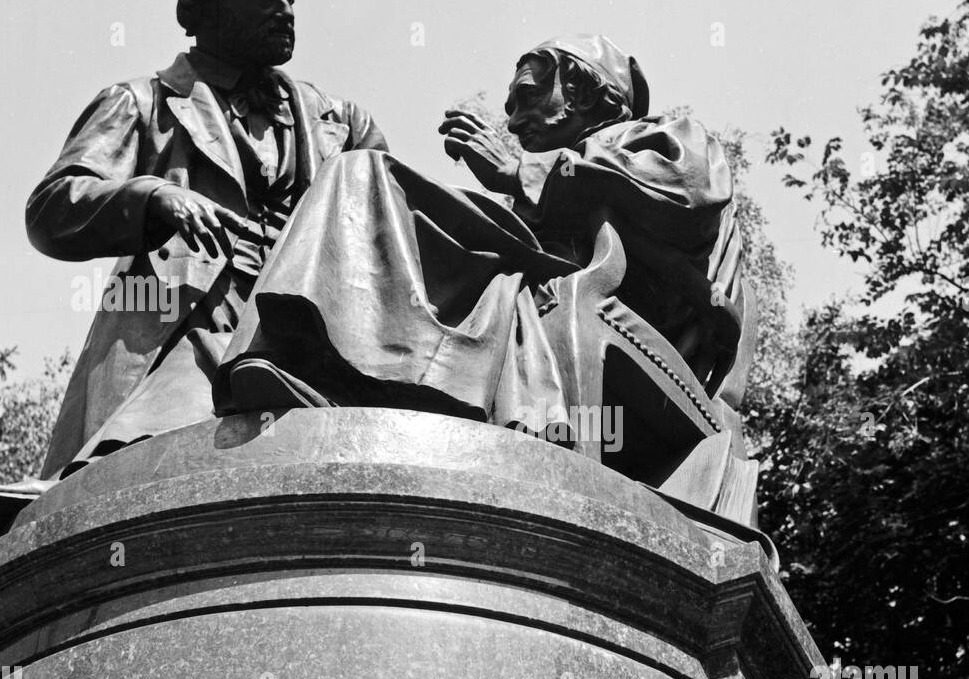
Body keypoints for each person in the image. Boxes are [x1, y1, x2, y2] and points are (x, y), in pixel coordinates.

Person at [0, 0, 386, 539]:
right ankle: (70, 495)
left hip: (308, 320)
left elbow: (391, 233)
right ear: (210, 2)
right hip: (189, 313)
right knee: (154, 436)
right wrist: (154, 199)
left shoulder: (342, 122)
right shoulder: (141, 103)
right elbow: (52, 210)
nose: (287, 11)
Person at [214, 35, 740, 452]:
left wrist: (517, 173)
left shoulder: (669, 137)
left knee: (368, 172)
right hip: (527, 271)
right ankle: (320, 364)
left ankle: (354, 377)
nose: (512, 120)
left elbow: (689, 197)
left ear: (581, 90)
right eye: (511, 106)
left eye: (530, 97)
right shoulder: (535, 190)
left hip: (619, 300)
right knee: (361, 179)